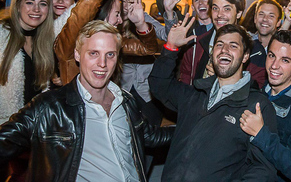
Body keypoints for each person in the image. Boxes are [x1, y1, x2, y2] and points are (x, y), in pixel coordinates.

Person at [0, 20, 174, 181]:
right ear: (77, 54)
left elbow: (151, 136)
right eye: (93, 53)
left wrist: (196, 125)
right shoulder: (50, 107)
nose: (102, 63)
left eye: (110, 55)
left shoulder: (126, 101)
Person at [149, 21, 277, 181]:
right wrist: (170, 47)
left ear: (245, 56)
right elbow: (159, 85)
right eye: (219, 44)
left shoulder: (257, 106)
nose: (224, 50)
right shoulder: (195, 93)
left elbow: (263, 169)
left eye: (233, 46)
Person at [55, 0, 159, 85]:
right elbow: (91, 0)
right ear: (101, 12)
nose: (120, 20)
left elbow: (148, 49)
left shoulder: (114, 41)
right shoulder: (72, 42)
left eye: (109, 55)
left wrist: (140, 22)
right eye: (117, 14)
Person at [240, 30, 291, 182]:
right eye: (271, 56)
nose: (274, 66)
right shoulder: (256, 90)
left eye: (285, 60)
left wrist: (261, 135)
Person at [179, 0, 267, 88]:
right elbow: (185, 78)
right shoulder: (197, 41)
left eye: (227, 9)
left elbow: (257, 88)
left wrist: (227, 79)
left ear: (238, 13)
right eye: (215, 8)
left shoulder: (254, 50)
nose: (220, 14)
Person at [0, 0, 55, 124]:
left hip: (35, 128)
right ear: (18, 6)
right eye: (29, 2)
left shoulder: (45, 40)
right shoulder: (2, 34)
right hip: (6, 130)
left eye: (42, 4)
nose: (36, 9)